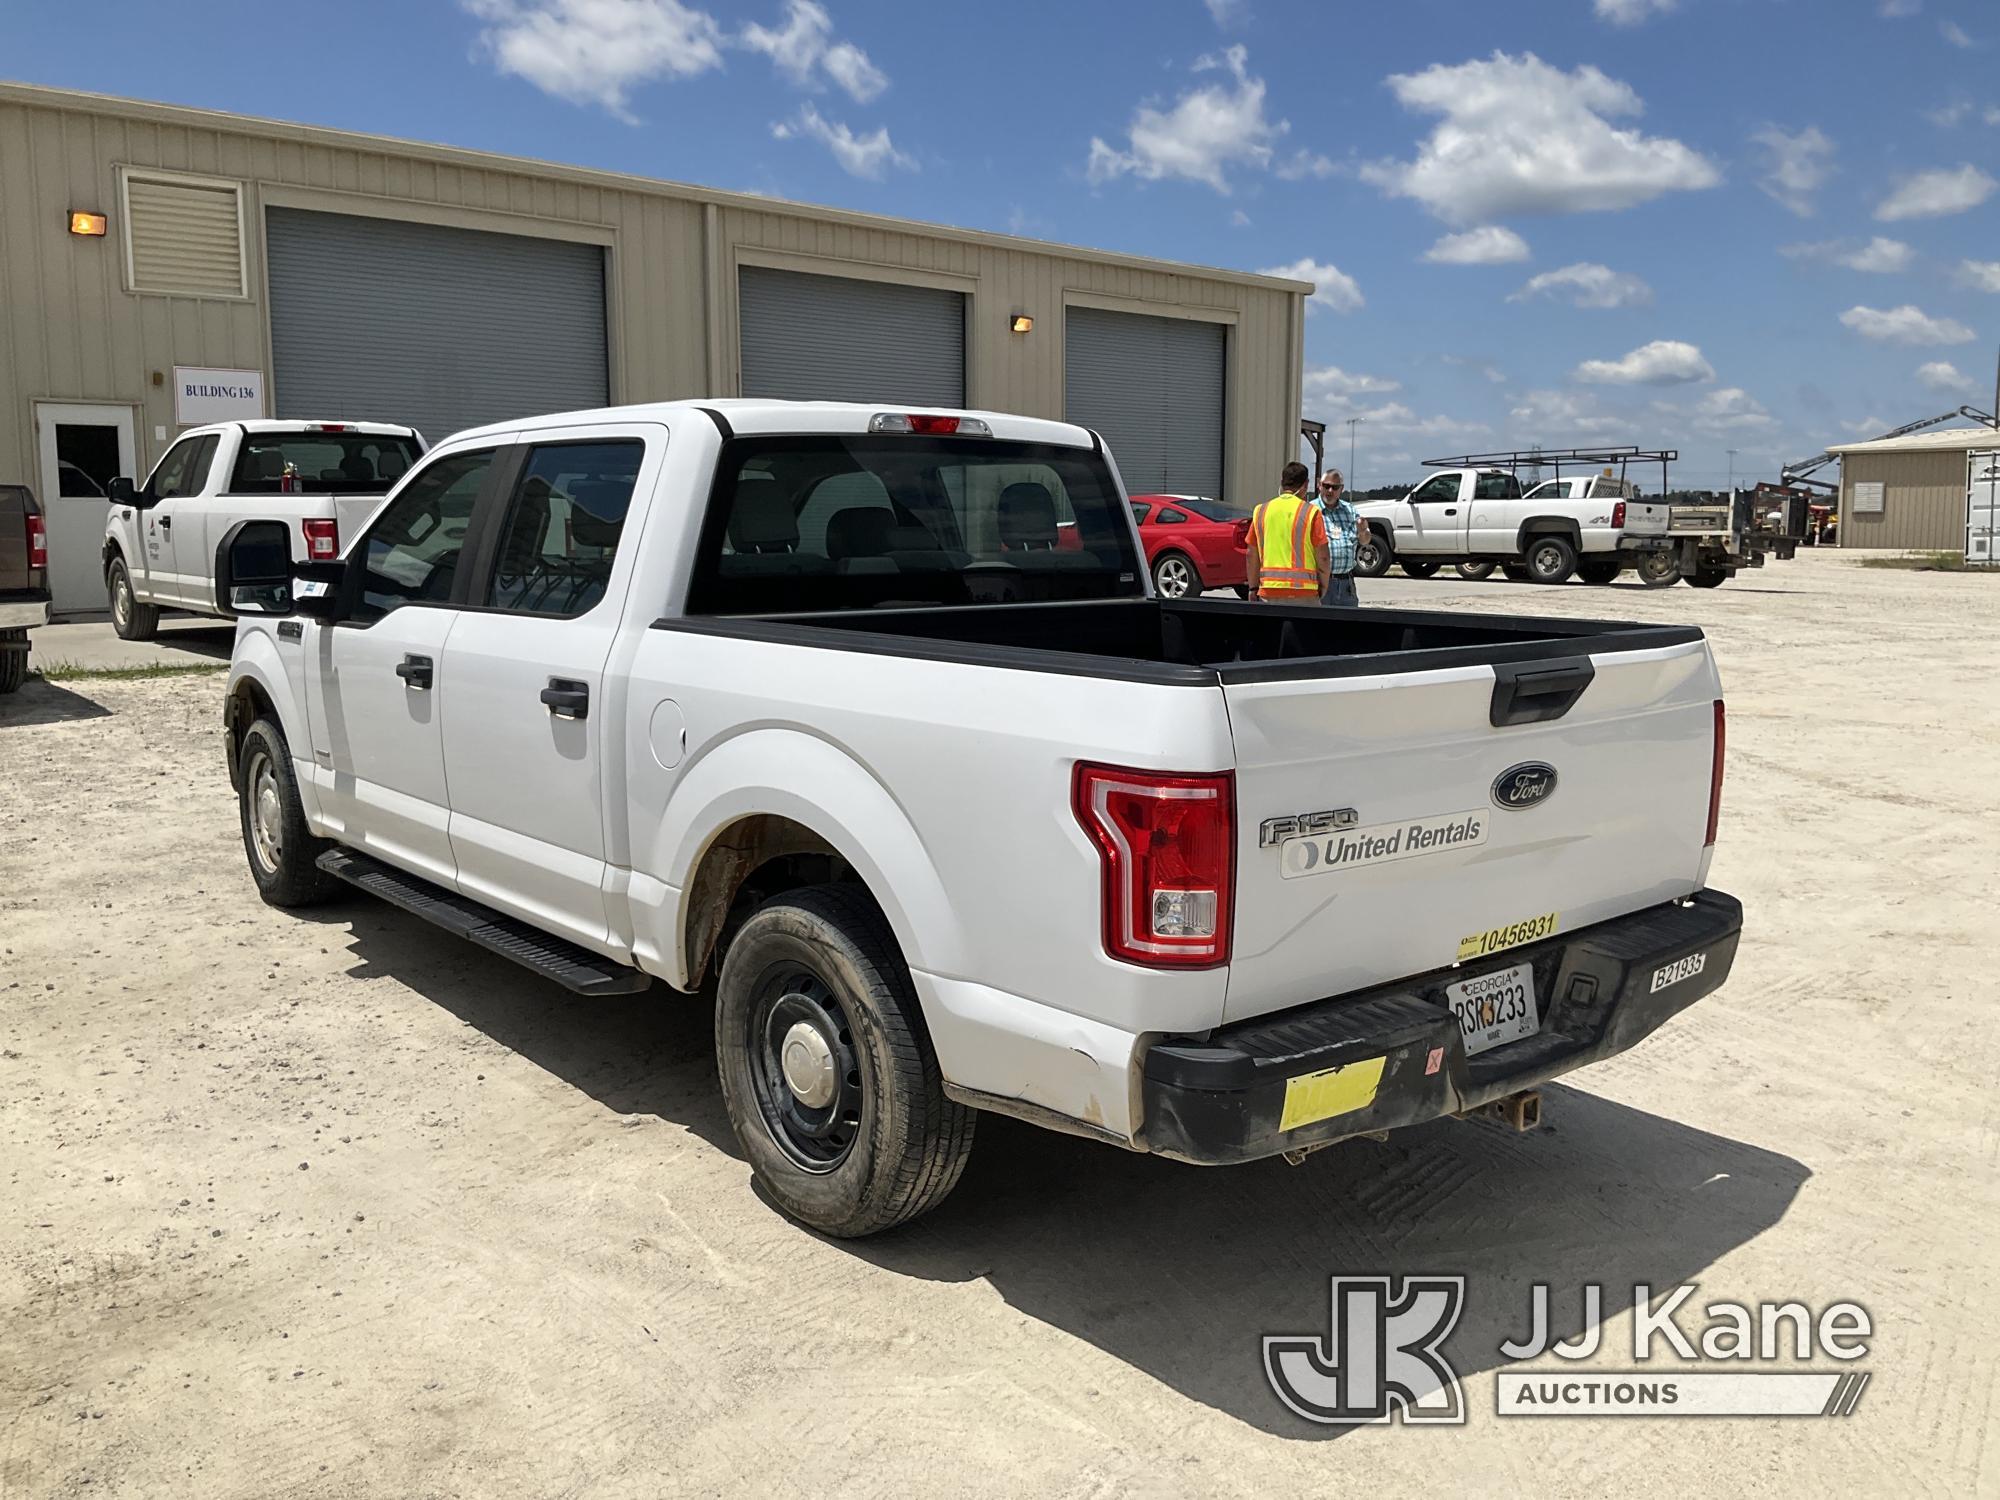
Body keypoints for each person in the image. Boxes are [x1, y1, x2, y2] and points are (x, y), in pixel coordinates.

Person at [1248, 461, 1329, 602]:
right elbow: (1323, 556)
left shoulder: (1261, 511)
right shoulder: (1311, 512)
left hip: (1268, 591)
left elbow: (1251, 554)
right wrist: (1323, 585)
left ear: (1282, 482)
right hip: (1304, 593)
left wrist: (1253, 588)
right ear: (1305, 485)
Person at [1312, 469, 1366, 607]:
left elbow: (1365, 541)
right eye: (1326, 486)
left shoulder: (1350, 510)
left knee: (1346, 627)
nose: (1330, 491)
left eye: (1335, 487)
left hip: (1346, 584)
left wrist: (1363, 531)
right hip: (1319, 582)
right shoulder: (1310, 510)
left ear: (1341, 489)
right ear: (1319, 485)